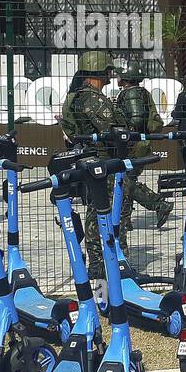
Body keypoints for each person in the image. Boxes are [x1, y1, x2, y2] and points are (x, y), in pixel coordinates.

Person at [61, 51, 119, 276]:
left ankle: (100, 260)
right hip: (101, 160)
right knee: (101, 211)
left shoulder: (76, 96)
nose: (109, 75)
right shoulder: (92, 98)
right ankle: (99, 263)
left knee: (98, 209)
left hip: (89, 158)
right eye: (107, 71)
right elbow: (112, 127)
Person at [116, 63, 175, 247]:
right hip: (137, 143)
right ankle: (124, 218)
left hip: (133, 145)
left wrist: (123, 132)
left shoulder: (132, 93)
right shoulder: (138, 92)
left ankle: (159, 204)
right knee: (126, 181)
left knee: (127, 182)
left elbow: (135, 118)